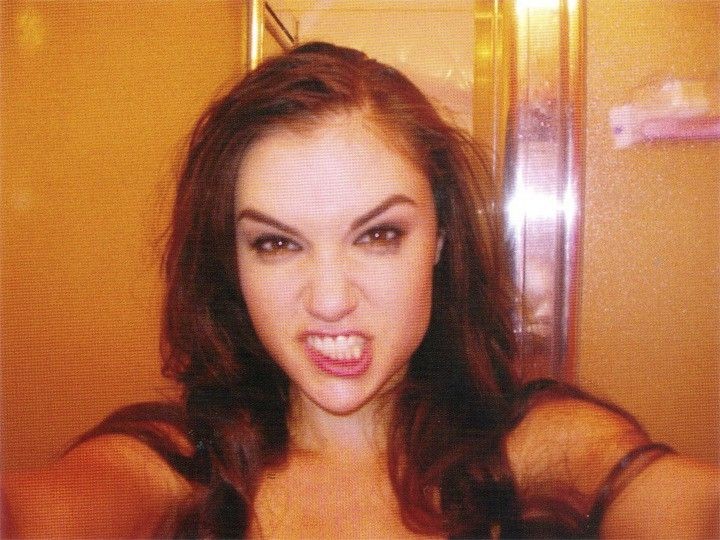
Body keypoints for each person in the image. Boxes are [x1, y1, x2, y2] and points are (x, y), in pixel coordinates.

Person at [2, 42, 717, 538]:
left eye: (377, 235)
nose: (329, 299)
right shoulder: (178, 468)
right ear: (231, 261)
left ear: (440, 238)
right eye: (277, 243)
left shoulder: (537, 452)